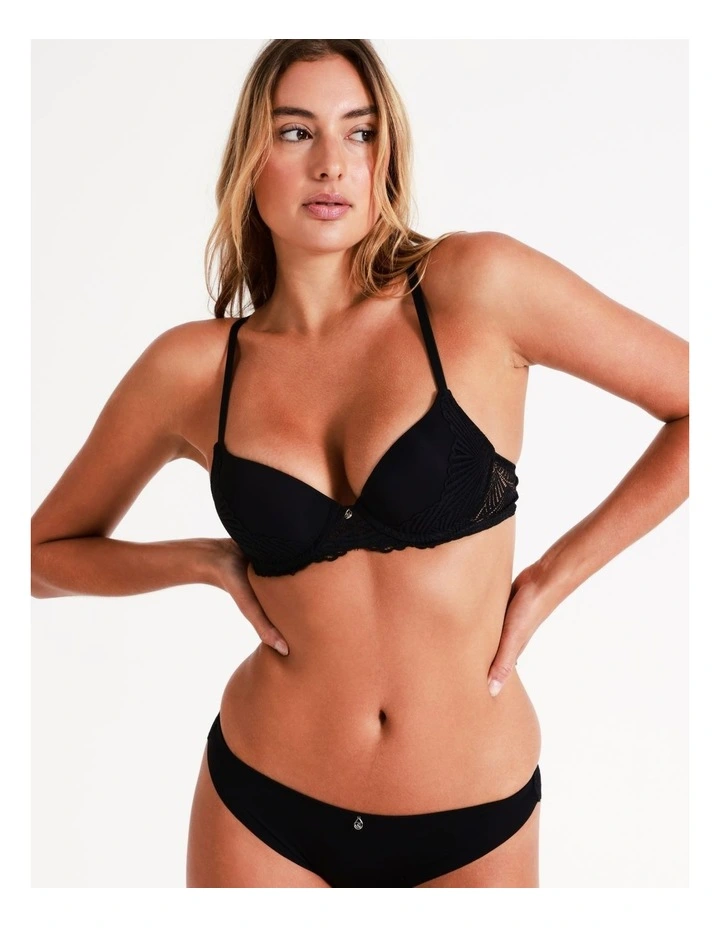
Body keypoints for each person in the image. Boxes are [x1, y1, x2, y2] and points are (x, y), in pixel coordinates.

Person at [31, 39, 689, 888]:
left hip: (471, 816)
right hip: (263, 807)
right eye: (295, 131)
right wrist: (201, 562)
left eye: (360, 131)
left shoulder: (475, 288)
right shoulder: (193, 369)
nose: (332, 163)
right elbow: (39, 556)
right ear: (249, 161)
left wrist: (548, 581)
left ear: (388, 154)